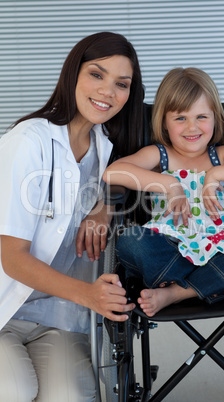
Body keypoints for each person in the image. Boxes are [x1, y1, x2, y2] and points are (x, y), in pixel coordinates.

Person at [0, 31, 143, 401]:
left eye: (121, 84)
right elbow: (12, 258)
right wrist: (90, 296)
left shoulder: (109, 151)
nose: (108, 92)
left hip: (57, 319)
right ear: (73, 74)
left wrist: (106, 205)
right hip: (4, 310)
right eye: (97, 74)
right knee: (17, 389)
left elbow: (153, 162)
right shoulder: (29, 141)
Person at [103, 67, 224, 318]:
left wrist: (216, 175)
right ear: (164, 122)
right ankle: (221, 286)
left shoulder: (221, 156)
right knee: (130, 241)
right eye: (180, 118)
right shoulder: (159, 155)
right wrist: (169, 185)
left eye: (201, 117)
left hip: (221, 249)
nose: (191, 127)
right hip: (171, 250)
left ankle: (177, 292)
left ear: (215, 117)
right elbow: (112, 173)